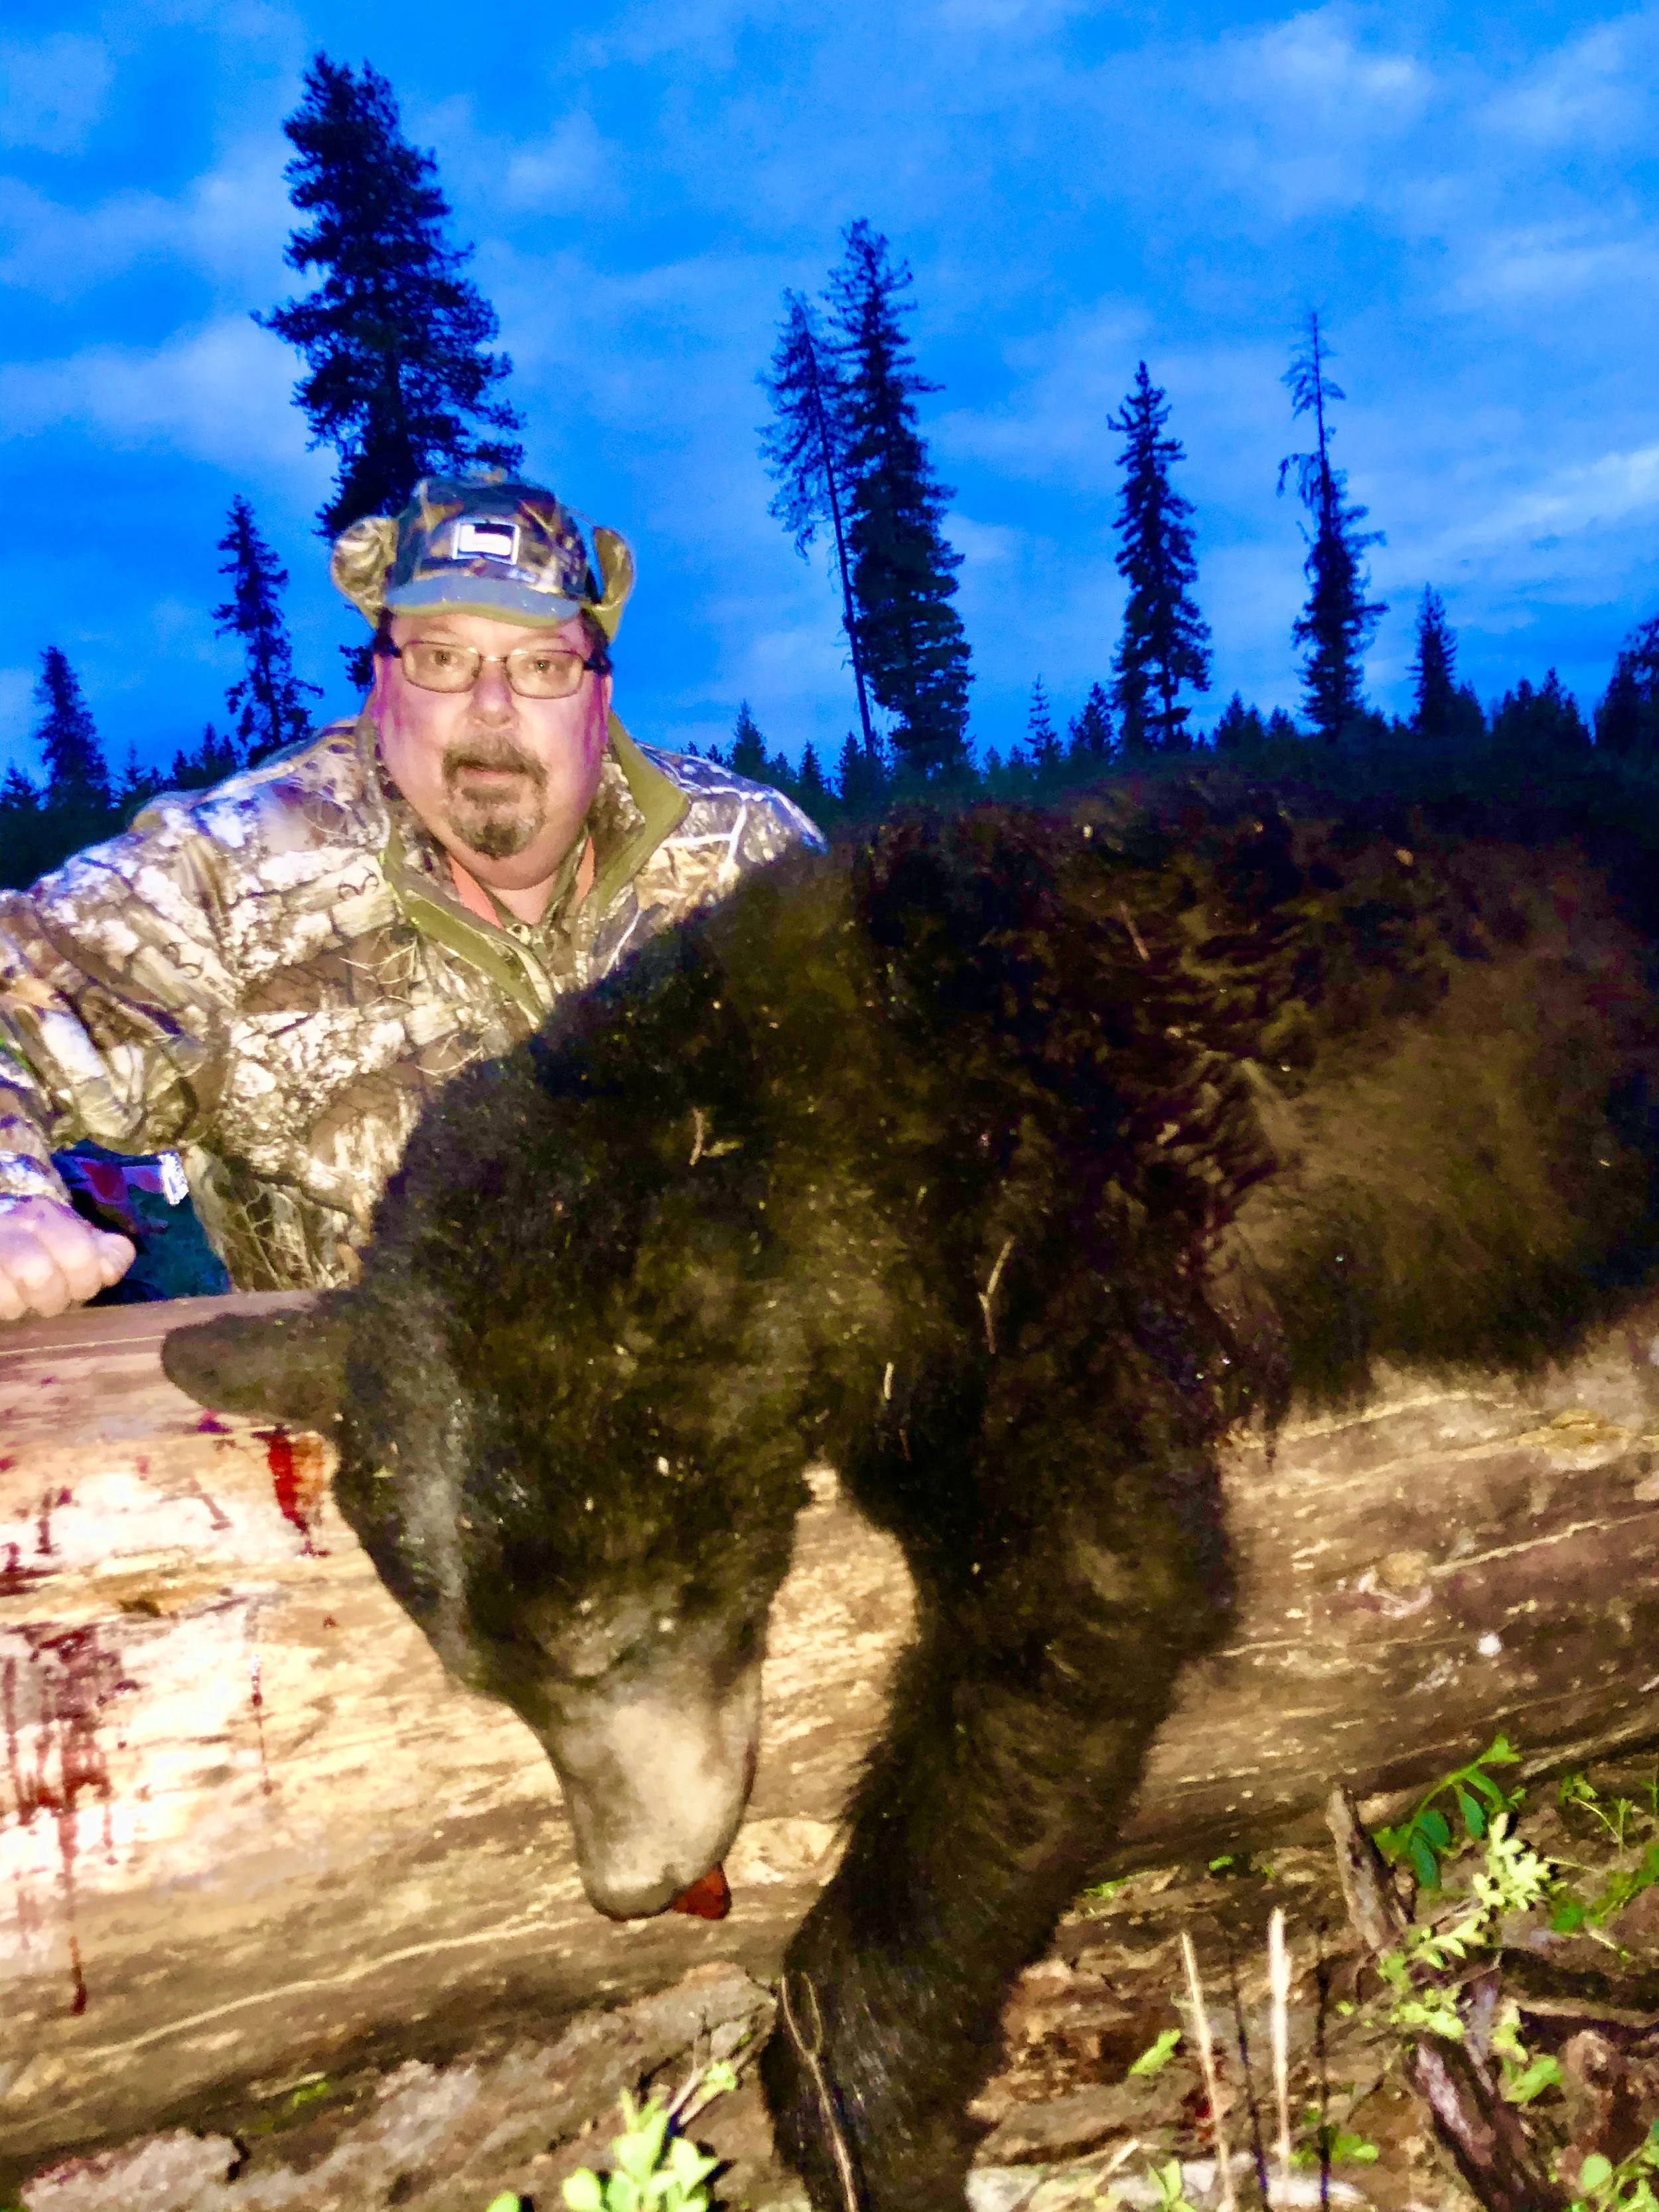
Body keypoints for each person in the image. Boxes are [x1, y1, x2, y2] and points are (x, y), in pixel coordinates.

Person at [0, 475, 823, 1320]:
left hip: (729, 1391)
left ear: (598, 689)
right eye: (442, 660)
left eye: (542, 665)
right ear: (382, 681)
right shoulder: (232, 877)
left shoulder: (747, 856)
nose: (490, 708)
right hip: (359, 1424)